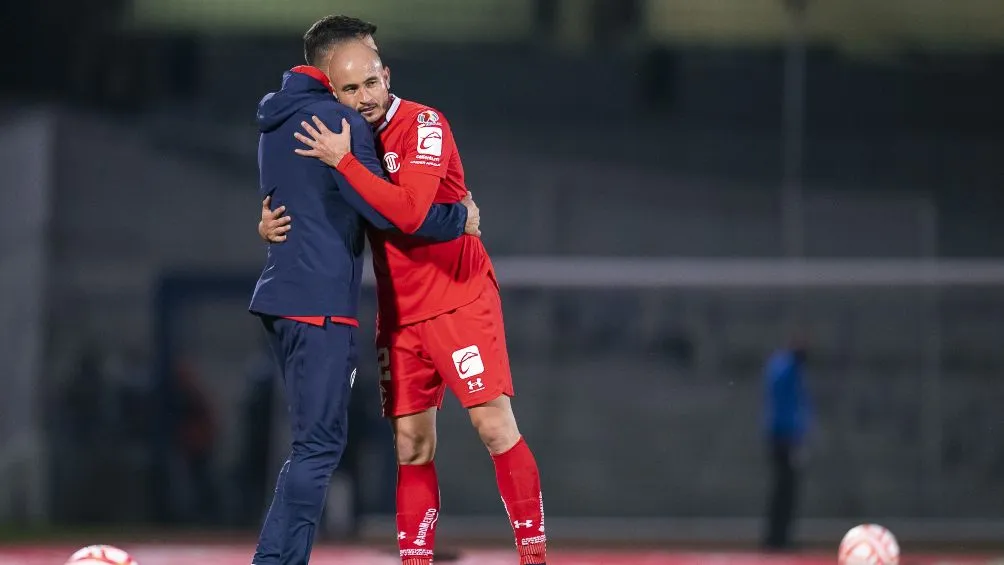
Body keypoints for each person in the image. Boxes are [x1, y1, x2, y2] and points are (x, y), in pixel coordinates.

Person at [260, 20, 548, 565]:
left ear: (386, 75)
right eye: (350, 89)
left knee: (493, 425)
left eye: (371, 83)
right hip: (399, 311)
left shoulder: (423, 123)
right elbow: (310, 197)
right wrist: (267, 221)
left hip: (458, 294)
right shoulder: (347, 133)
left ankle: (533, 555)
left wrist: (342, 162)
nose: (364, 98)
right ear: (332, 89)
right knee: (412, 445)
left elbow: (412, 212)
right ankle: (415, 561)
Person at [761, 338, 812, 550]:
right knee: (784, 489)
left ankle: (779, 536)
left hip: (784, 436)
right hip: (783, 437)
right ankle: (777, 538)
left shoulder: (786, 367)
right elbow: (787, 405)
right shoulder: (785, 367)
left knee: (786, 489)